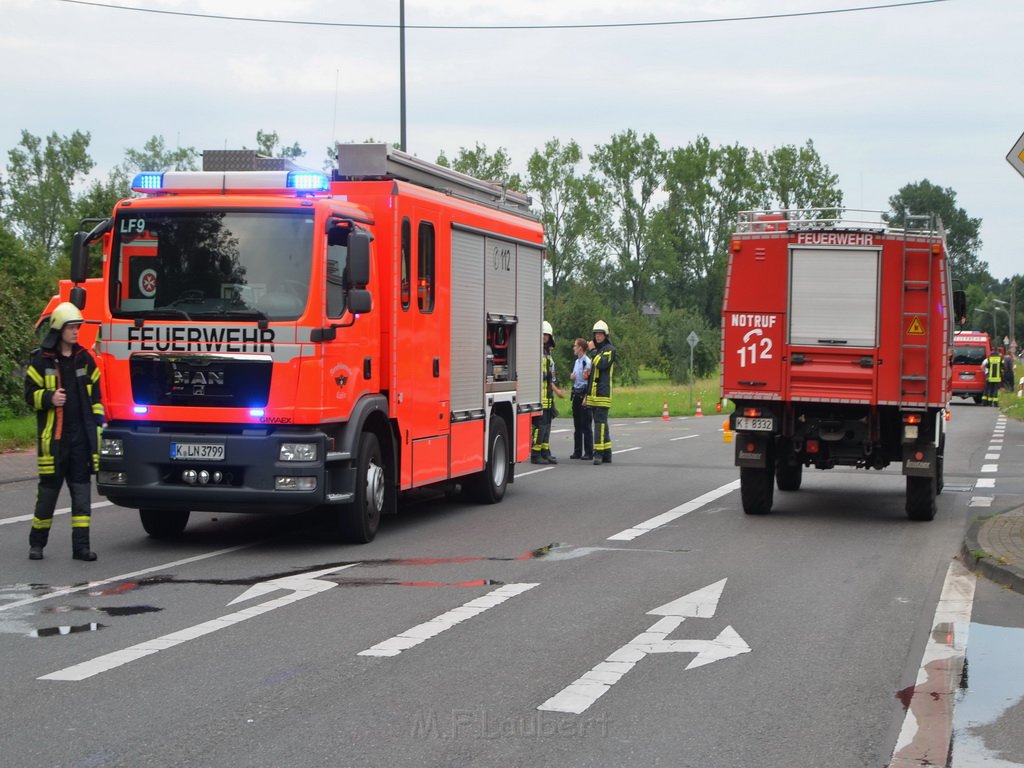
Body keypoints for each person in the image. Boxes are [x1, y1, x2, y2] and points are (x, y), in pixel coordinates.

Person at [25, 302, 104, 561]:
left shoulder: (84, 358)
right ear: (59, 330)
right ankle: (37, 544)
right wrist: (49, 398)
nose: (76, 332)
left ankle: (81, 547)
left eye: (77, 327)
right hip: (54, 441)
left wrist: (98, 427)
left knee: (82, 497)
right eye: (71, 327)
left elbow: (97, 398)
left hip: (80, 439)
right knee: (47, 494)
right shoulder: (42, 360)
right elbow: (29, 394)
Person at [531, 321, 564, 464]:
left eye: (547, 335)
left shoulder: (548, 354)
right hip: (539, 396)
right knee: (540, 426)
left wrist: (554, 388)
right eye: (543, 334)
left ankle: (545, 451)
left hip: (548, 397)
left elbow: (552, 375)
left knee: (547, 426)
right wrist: (545, 377)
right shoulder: (536, 352)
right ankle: (535, 453)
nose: (545, 337)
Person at [587, 320, 616, 465]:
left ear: (605, 335)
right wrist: (587, 395)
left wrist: (592, 352)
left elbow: (603, 364)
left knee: (599, 424)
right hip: (593, 395)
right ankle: (607, 453)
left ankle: (598, 453)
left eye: (600, 334)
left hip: (603, 394)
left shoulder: (610, 349)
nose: (598, 337)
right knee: (602, 423)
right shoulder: (597, 351)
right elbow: (593, 375)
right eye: (596, 334)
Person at [568, 337, 593, 460]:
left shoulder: (586, 362)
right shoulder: (577, 362)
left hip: (584, 394)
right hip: (576, 394)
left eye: (575, 346)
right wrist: (572, 377)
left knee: (585, 424)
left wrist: (587, 397)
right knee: (577, 424)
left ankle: (588, 452)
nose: (573, 348)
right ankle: (577, 451)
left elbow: (589, 381)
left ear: (581, 348)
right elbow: (576, 376)